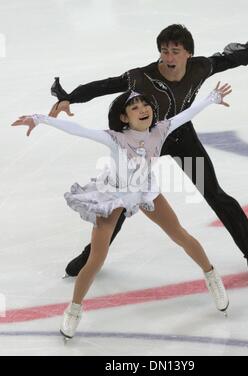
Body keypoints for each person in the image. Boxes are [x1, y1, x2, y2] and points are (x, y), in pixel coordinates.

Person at [49, 24, 248, 278]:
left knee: (214, 192)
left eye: (175, 51)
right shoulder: (142, 77)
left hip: (182, 137)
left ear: (188, 54)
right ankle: (91, 257)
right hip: (146, 141)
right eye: (164, 51)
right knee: (123, 196)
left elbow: (229, 59)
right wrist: (71, 98)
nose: (169, 57)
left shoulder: (200, 67)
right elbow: (104, 86)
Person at [12, 83, 231, 339]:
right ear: (124, 117)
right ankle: (73, 310)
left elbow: (186, 115)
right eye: (134, 107)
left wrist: (211, 98)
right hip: (114, 194)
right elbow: (78, 130)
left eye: (145, 105)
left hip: (144, 190)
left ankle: (212, 276)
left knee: (179, 234)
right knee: (96, 258)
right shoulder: (115, 138)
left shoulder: (161, 130)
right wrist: (40, 119)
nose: (143, 110)